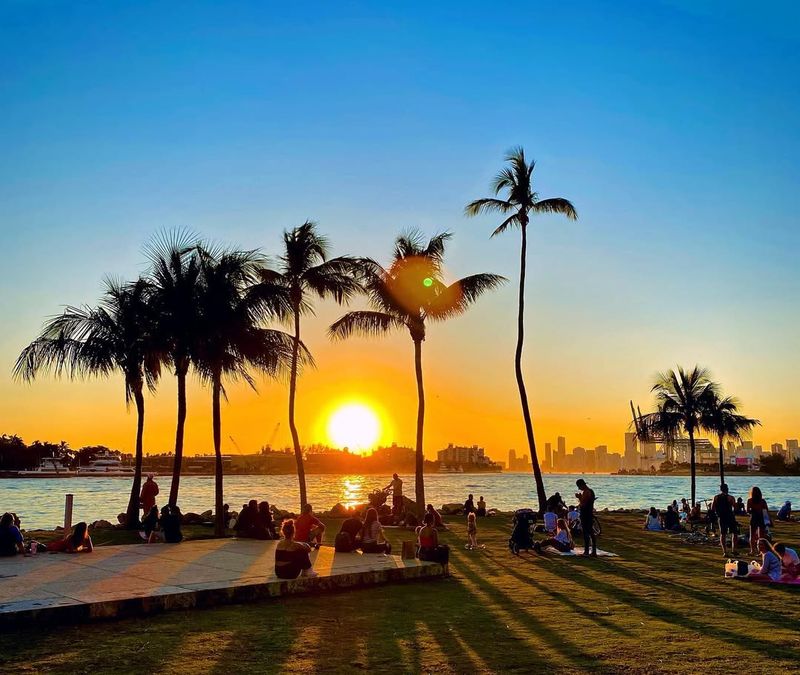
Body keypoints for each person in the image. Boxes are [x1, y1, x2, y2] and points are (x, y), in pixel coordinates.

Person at [711, 484, 738, 557]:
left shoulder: (716, 497)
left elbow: (712, 508)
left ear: (720, 489)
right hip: (730, 516)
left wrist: (717, 512)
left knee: (723, 534)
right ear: (727, 489)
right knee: (734, 533)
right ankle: (734, 550)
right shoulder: (731, 497)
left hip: (721, 517)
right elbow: (735, 508)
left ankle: (725, 551)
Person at [575, 479, 597, 557]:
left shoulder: (586, 492)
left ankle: (587, 551)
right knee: (590, 531)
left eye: (579, 487)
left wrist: (579, 497)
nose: (579, 489)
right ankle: (593, 551)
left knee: (586, 532)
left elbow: (583, 504)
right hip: (589, 513)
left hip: (586, 514)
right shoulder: (590, 491)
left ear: (581, 485)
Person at [746, 486, 769, 556]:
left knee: (752, 535)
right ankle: (761, 552)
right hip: (761, 517)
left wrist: (752, 510)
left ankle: (752, 550)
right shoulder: (762, 501)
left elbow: (747, 511)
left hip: (753, 517)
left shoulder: (750, 500)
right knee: (761, 536)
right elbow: (766, 510)